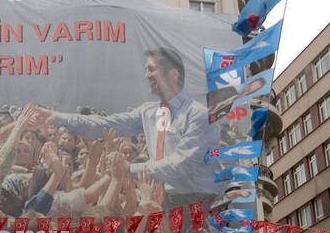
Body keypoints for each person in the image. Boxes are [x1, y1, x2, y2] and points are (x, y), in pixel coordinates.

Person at [32, 47, 221, 200]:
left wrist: (129, 169)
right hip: (163, 201)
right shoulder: (148, 112)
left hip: (199, 203)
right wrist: (56, 116)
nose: (146, 75)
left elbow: (181, 165)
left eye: (151, 69)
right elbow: (103, 125)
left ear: (173, 74)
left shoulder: (199, 115)